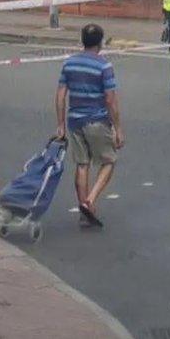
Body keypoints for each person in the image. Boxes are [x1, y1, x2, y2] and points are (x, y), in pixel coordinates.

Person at [55, 24, 124, 228]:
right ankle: (90, 201)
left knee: (82, 164)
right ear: (100, 43)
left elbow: (60, 95)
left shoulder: (69, 64)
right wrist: (118, 128)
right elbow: (110, 100)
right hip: (96, 120)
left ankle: (84, 213)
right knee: (109, 161)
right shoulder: (104, 66)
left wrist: (60, 124)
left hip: (74, 121)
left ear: (82, 40)